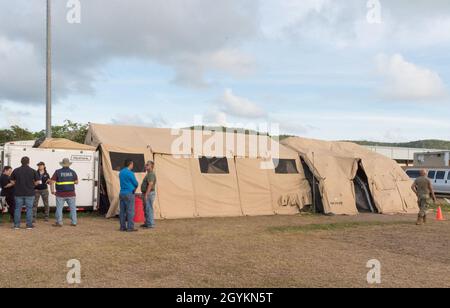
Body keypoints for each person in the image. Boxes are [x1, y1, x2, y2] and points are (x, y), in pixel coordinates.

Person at [10, 157, 40, 230]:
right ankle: (29, 225)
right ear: (28, 162)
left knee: (17, 209)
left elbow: (11, 181)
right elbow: (38, 182)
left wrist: (16, 184)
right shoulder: (32, 171)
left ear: (21, 162)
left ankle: (17, 225)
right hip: (30, 193)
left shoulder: (16, 170)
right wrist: (32, 185)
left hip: (18, 193)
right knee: (29, 209)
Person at [50, 158, 78, 227]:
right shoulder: (73, 172)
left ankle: (59, 222)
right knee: (73, 208)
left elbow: (52, 182)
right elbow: (76, 182)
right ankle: (74, 222)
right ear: (69, 164)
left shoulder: (57, 172)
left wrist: (52, 191)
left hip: (60, 194)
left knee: (59, 208)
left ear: (62, 164)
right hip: (71, 194)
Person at [119, 159, 139, 232]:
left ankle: (122, 227)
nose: (133, 166)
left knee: (122, 211)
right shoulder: (130, 173)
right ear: (130, 164)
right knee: (130, 211)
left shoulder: (121, 172)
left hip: (122, 193)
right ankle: (130, 227)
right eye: (132, 164)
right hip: (129, 193)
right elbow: (136, 183)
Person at [141, 161, 157, 229]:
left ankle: (150, 224)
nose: (146, 166)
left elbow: (150, 184)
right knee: (146, 208)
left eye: (147, 165)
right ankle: (147, 223)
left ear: (151, 166)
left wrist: (146, 194)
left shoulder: (151, 174)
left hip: (149, 194)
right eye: (146, 164)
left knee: (148, 208)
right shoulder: (148, 174)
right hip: (147, 193)